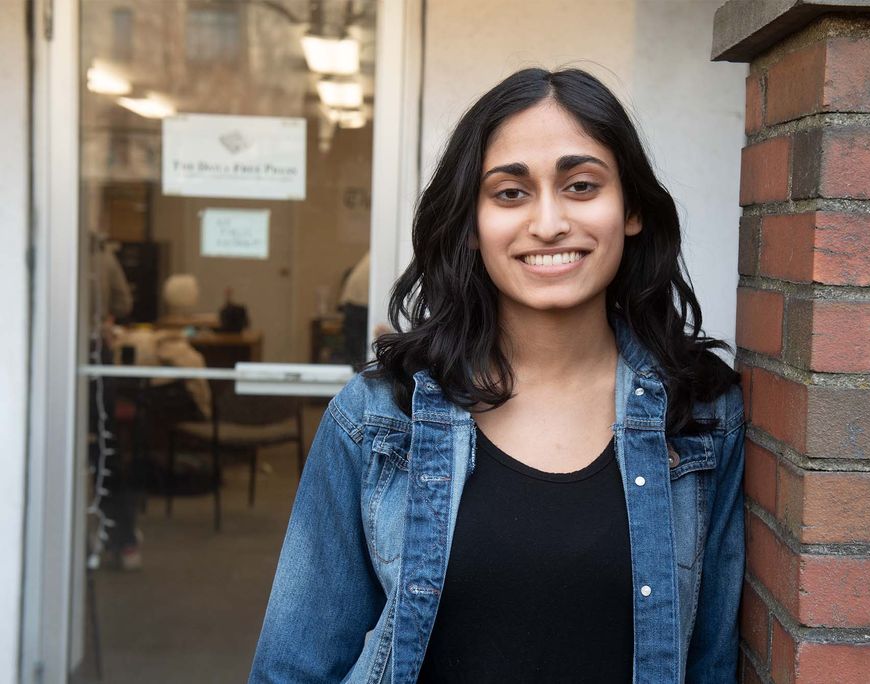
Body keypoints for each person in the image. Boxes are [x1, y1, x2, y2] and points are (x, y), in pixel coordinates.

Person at [250, 67, 745, 683]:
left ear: (633, 208)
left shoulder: (699, 416)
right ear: (470, 222)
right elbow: (293, 668)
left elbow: (712, 665)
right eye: (510, 193)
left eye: (582, 186)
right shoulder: (379, 417)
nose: (548, 223)